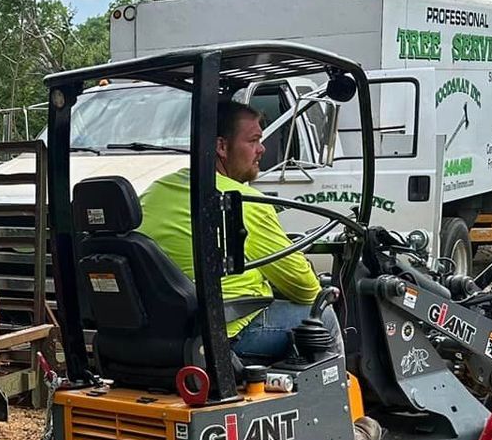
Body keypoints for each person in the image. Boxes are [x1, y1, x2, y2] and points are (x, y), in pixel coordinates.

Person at [136, 101, 342, 363]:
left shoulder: (154, 193)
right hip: (226, 332)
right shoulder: (241, 202)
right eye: (254, 140)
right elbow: (305, 289)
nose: (262, 149)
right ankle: (338, 401)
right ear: (221, 147)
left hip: (164, 333)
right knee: (321, 311)